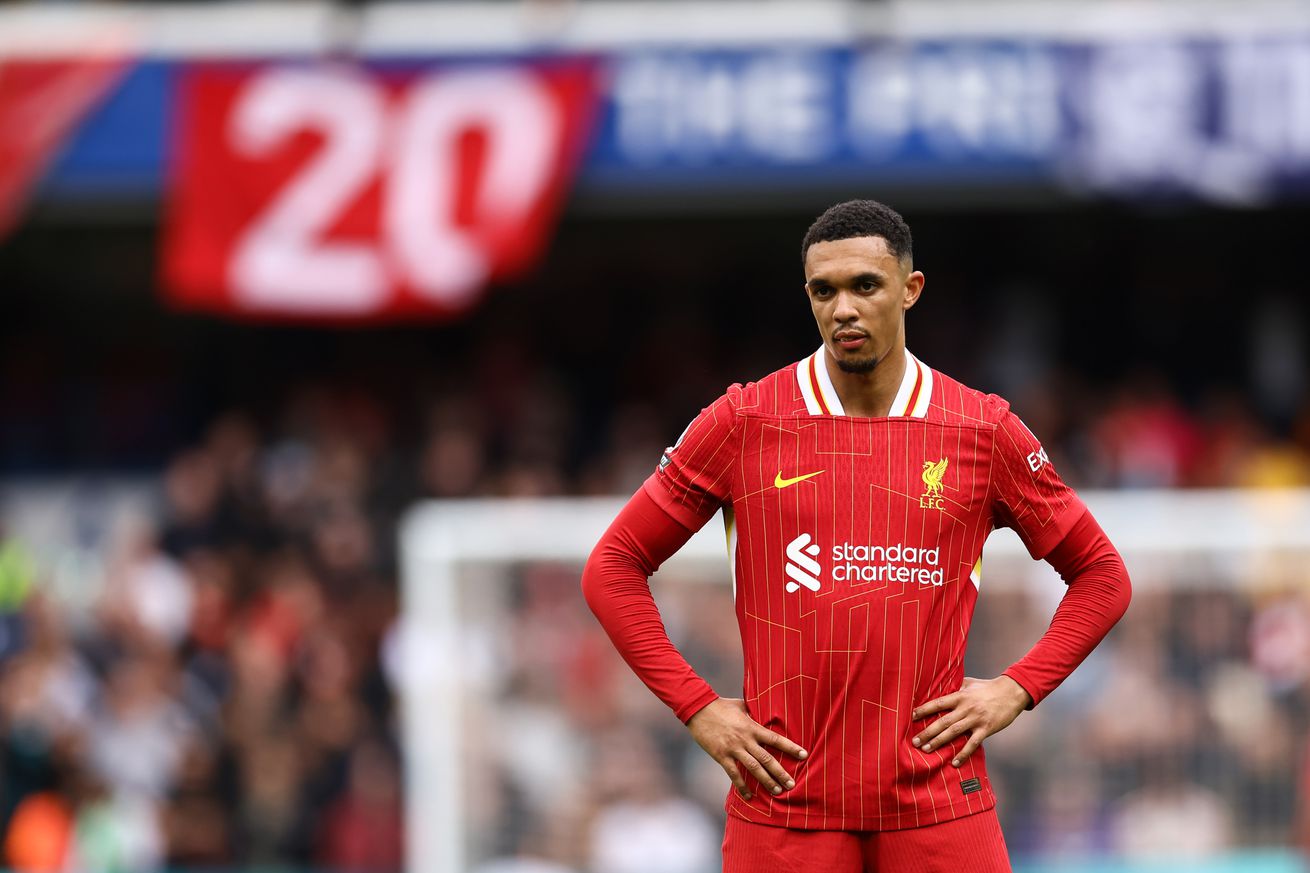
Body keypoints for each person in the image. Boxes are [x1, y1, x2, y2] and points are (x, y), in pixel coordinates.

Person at [581, 199, 1132, 872]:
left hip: (937, 800)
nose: (843, 308)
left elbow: (1103, 575)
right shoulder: (745, 422)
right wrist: (698, 708)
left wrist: (1016, 687)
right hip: (784, 801)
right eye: (824, 290)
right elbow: (612, 565)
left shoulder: (982, 430)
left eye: (865, 285)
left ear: (910, 288)